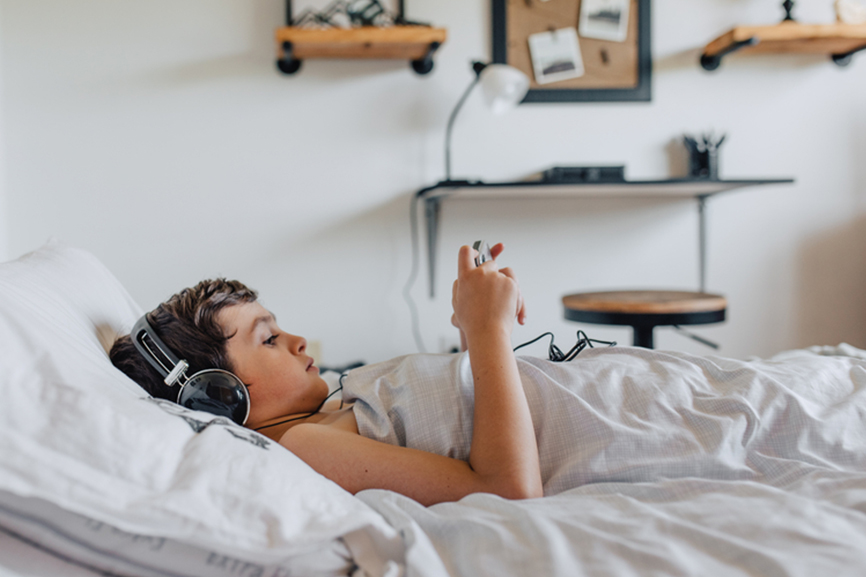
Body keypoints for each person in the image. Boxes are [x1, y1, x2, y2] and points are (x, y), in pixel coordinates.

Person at [110, 243, 540, 506]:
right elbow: (508, 491)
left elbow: (463, 419)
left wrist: (471, 327)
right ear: (219, 395)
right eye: (269, 339)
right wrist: (489, 330)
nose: (298, 341)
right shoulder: (303, 445)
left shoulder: (326, 416)